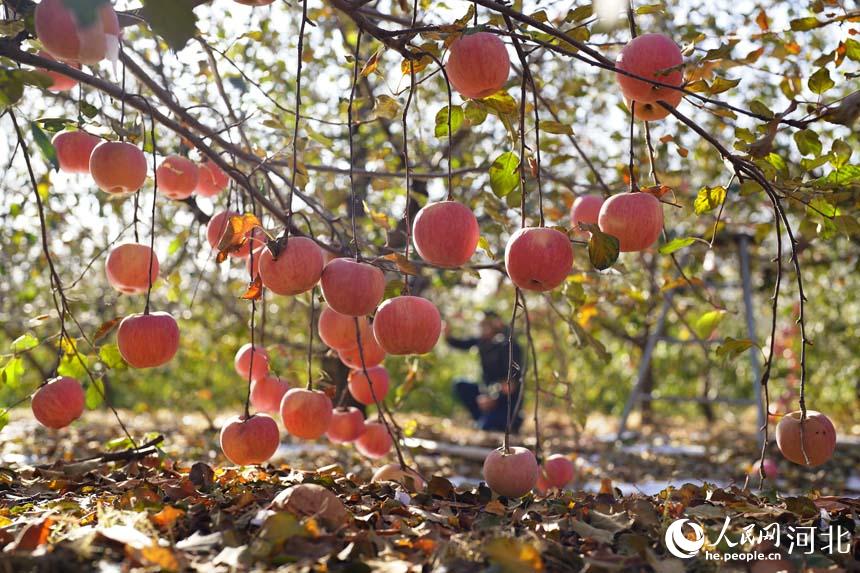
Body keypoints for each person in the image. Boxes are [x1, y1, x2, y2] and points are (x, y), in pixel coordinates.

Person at [446, 311, 524, 432]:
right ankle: (480, 418)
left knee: (488, 427)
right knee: (460, 384)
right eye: (482, 324)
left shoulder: (509, 345)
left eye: (486, 324)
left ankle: (503, 422)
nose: (482, 327)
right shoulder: (483, 341)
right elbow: (460, 344)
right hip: (487, 394)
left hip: (506, 403)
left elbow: (511, 385)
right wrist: (448, 333)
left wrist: (493, 397)